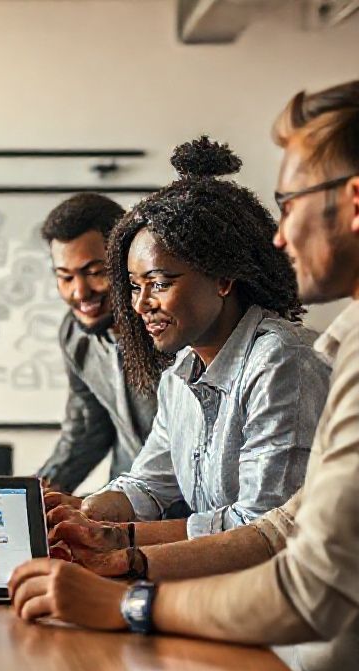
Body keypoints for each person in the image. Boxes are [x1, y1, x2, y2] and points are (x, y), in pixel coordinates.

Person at [10, 81, 359, 671]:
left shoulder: (286, 362)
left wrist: (127, 583)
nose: (281, 235)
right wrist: (97, 523)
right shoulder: (197, 369)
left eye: (289, 206)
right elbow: (193, 492)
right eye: (133, 286)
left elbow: (284, 562)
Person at [47, 137, 331, 567]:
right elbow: (149, 483)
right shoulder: (181, 369)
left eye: (160, 283)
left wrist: (117, 541)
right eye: (135, 287)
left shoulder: (282, 361)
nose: (141, 304)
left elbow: (261, 528)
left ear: (222, 279)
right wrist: (87, 511)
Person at [36, 193, 160, 495]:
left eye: (95, 273)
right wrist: (36, 494)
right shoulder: (75, 335)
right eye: (65, 277)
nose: (80, 292)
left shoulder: (168, 330)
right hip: (124, 503)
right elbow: (86, 430)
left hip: (190, 516)